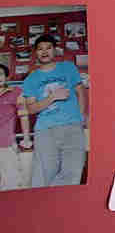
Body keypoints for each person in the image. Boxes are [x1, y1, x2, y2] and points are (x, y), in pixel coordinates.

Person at [21, 35, 87, 187]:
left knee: (73, 172)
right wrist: (52, 97)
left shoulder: (68, 68)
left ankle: (57, 198)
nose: (44, 52)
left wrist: (81, 116)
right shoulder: (31, 79)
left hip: (72, 126)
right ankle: (43, 200)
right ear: (35, 53)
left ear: (55, 50)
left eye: (48, 48)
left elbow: (80, 92)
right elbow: (31, 108)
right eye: (40, 49)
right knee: (43, 175)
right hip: (45, 130)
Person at [0, 64, 33, 190]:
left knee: (11, 181)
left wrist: (26, 138)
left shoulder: (16, 92)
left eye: (0, 74)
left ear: (6, 77)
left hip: (6, 144)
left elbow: (23, 116)